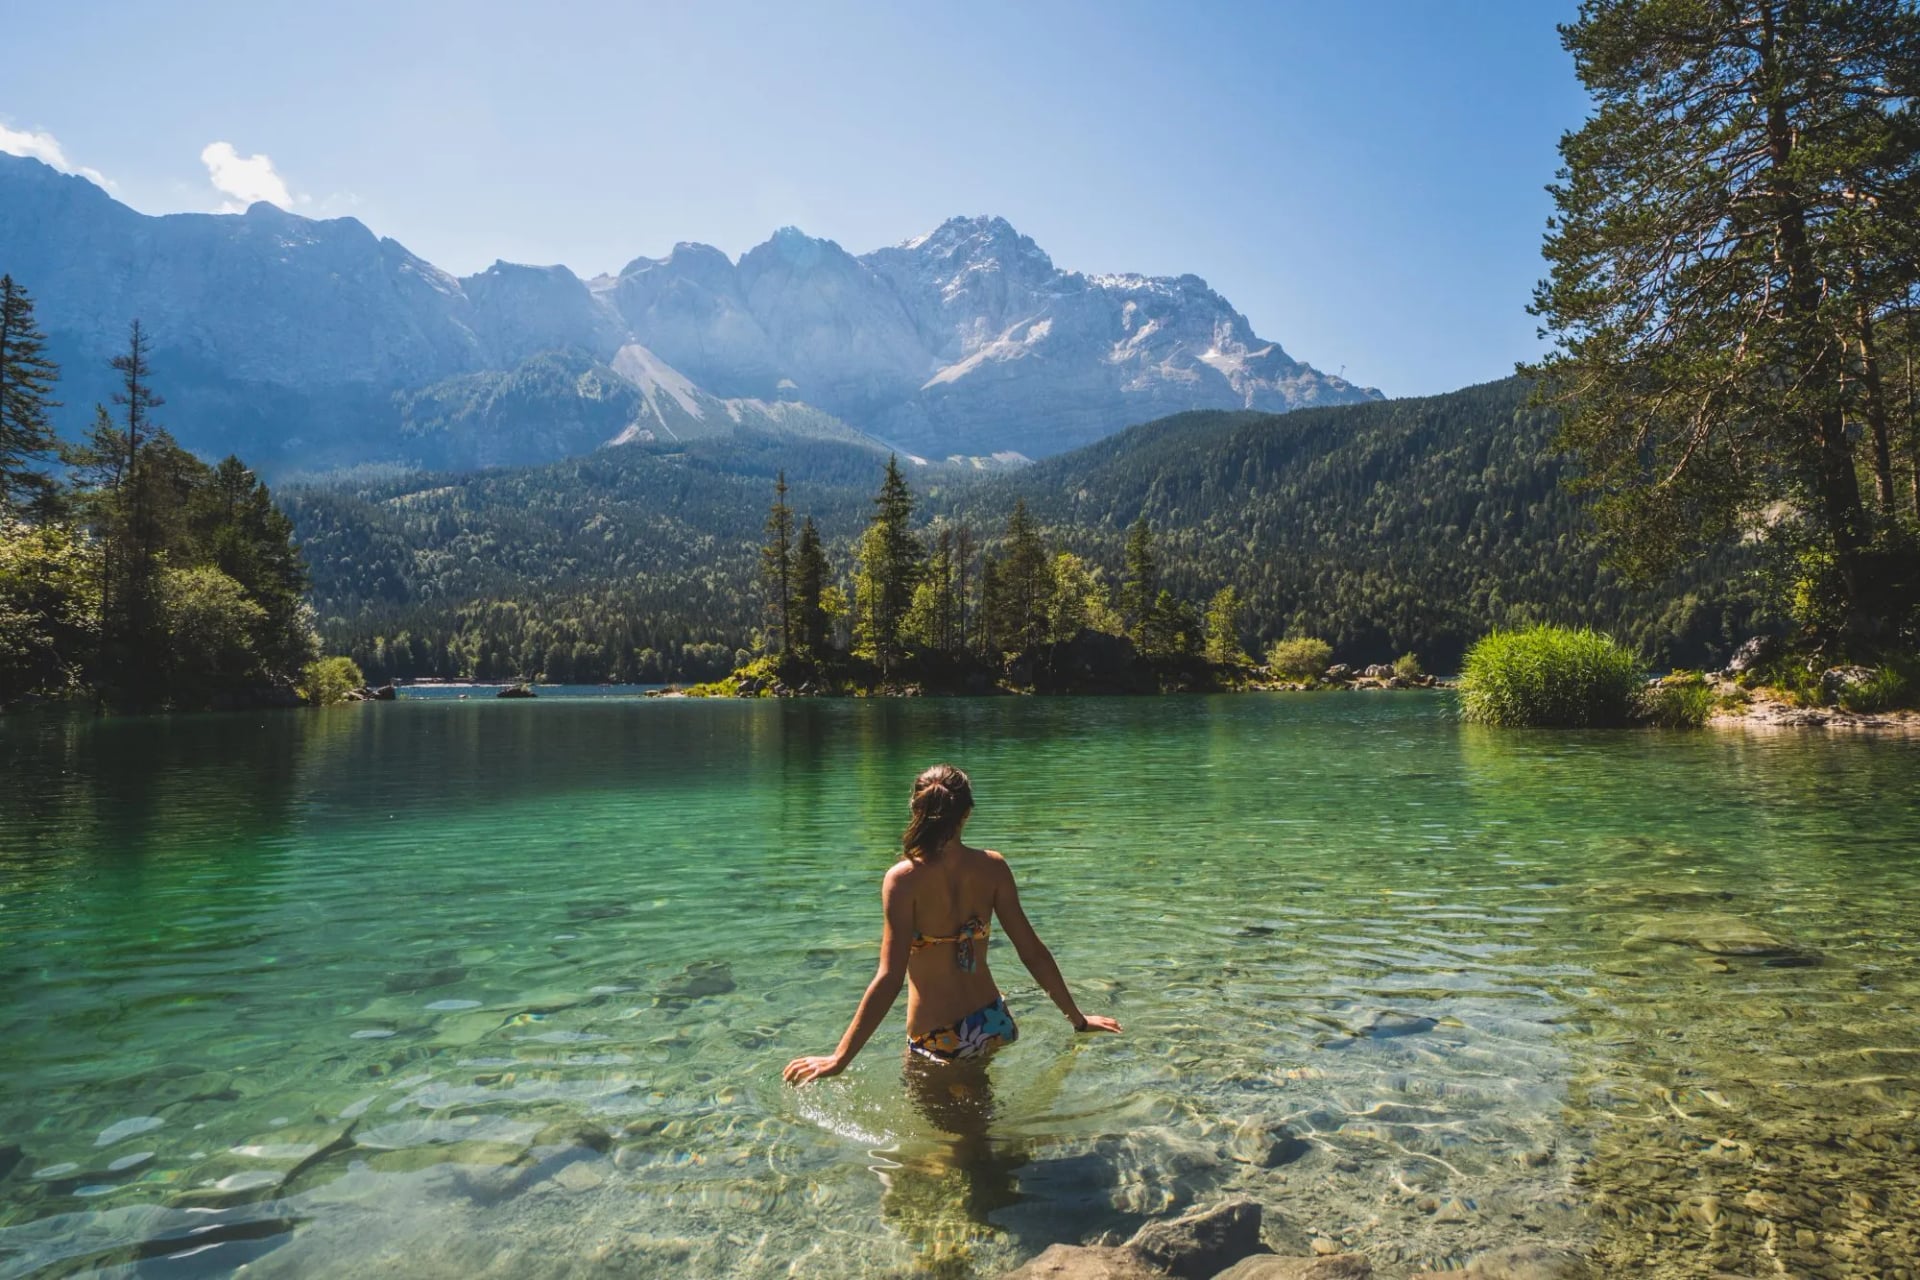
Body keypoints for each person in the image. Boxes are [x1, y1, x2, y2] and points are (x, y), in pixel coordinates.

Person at [783, 763, 1121, 1084]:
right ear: (967, 813)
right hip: (993, 1020)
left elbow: (889, 977)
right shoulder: (993, 867)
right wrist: (1078, 1019)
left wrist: (840, 1058)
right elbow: (1031, 951)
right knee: (978, 1127)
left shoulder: (903, 880)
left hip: (938, 1037)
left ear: (915, 809)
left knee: (949, 1142)